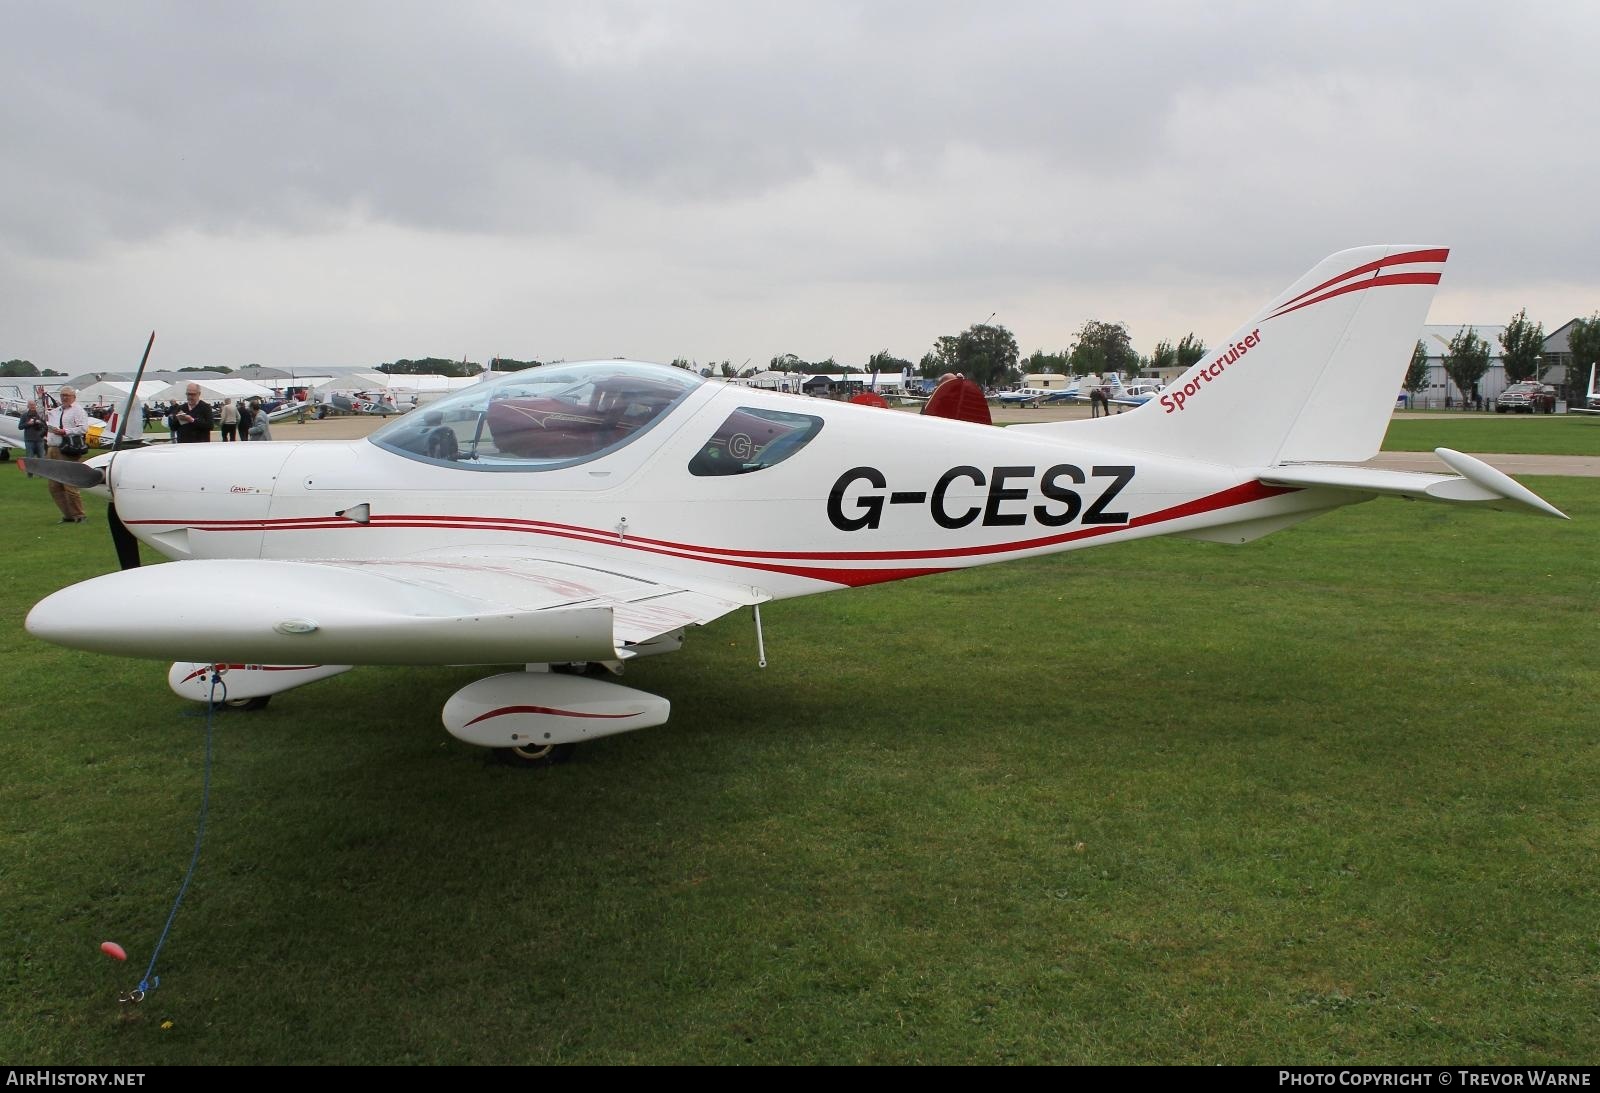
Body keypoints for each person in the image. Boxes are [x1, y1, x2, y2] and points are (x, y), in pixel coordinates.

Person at [46, 386, 89, 523]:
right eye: (62, 395)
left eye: (67, 395)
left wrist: (65, 431)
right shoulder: (56, 411)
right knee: (54, 485)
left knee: (69, 483)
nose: (64, 397)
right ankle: (68, 515)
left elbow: (83, 428)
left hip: (68, 449)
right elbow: (47, 421)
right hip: (52, 448)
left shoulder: (78, 410)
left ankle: (79, 514)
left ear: (73, 397)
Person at [19, 399, 48, 475]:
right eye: (31, 405)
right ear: (28, 406)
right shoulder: (24, 415)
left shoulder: (39, 415)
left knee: (41, 457)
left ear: (35, 406)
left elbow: (45, 426)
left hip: (39, 439)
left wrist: (39, 423)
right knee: (30, 457)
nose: (32, 406)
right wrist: (28, 423)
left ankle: (42, 474)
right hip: (29, 440)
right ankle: (30, 474)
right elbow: (20, 427)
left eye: (33, 405)